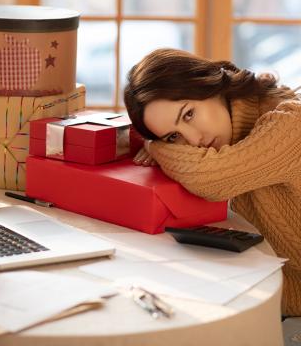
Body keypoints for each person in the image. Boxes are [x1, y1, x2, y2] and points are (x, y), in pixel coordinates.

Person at [124, 48, 301, 316]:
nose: (193, 141)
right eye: (173, 137)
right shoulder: (235, 134)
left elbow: (209, 178)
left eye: (188, 115)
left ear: (210, 84)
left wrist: (156, 147)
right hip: (273, 282)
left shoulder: (290, 124)